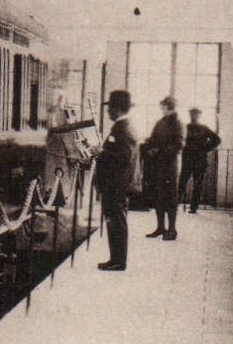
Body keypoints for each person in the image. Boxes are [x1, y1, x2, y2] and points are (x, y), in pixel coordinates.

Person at [94, 90, 138, 271]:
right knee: (115, 220)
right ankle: (115, 259)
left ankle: (118, 261)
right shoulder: (124, 127)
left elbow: (124, 157)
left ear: (117, 108)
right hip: (116, 183)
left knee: (117, 221)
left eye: (110, 108)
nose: (108, 112)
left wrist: (101, 152)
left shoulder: (122, 128)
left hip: (116, 184)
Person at [145, 95, 183, 240]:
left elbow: (178, 145)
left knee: (170, 198)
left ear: (169, 107)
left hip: (169, 166)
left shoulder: (178, 123)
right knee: (159, 196)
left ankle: (172, 230)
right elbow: (153, 138)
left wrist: (159, 151)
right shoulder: (161, 122)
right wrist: (149, 146)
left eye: (164, 106)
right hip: (158, 165)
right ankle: (160, 227)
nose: (162, 108)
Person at [179, 107, 222, 214]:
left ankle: (194, 207)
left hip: (199, 160)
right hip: (187, 159)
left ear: (199, 116)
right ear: (190, 116)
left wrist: (204, 149)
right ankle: (175, 204)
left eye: (196, 115)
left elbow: (217, 140)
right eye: (192, 115)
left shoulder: (204, 128)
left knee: (197, 185)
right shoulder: (185, 128)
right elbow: (179, 139)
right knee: (182, 182)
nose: (194, 117)